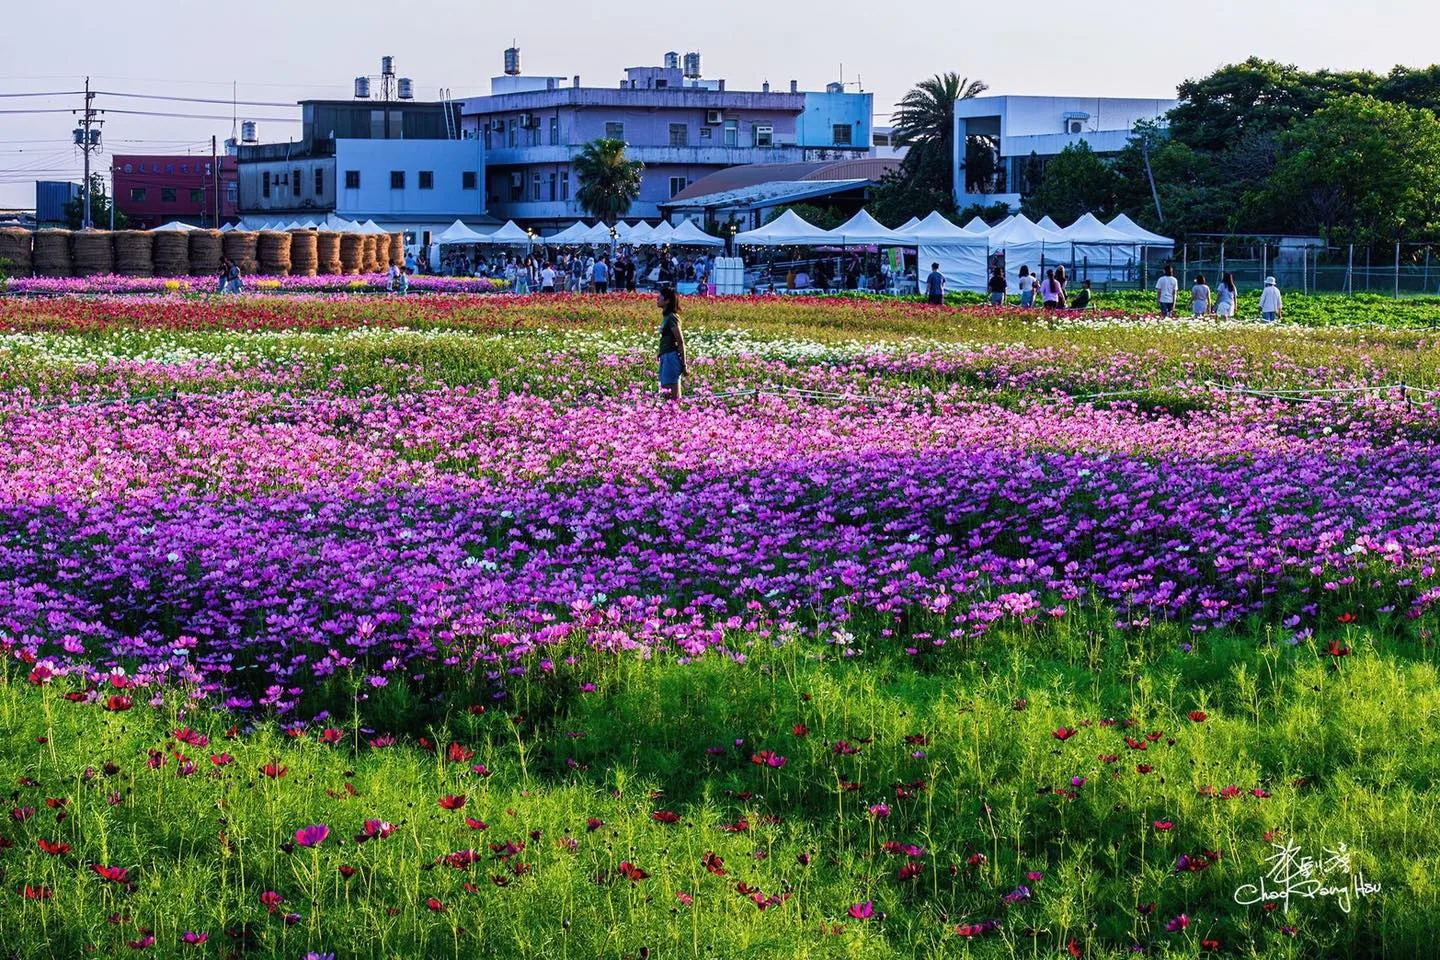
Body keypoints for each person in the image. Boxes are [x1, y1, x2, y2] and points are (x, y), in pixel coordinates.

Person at [657, 286, 687, 401]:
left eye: (660, 296)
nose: (657, 298)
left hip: (671, 357)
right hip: (666, 356)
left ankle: (677, 417)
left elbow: (680, 341)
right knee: (665, 392)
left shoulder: (672, 317)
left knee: (672, 396)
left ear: (667, 300)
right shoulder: (666, 317)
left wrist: (684, 365)